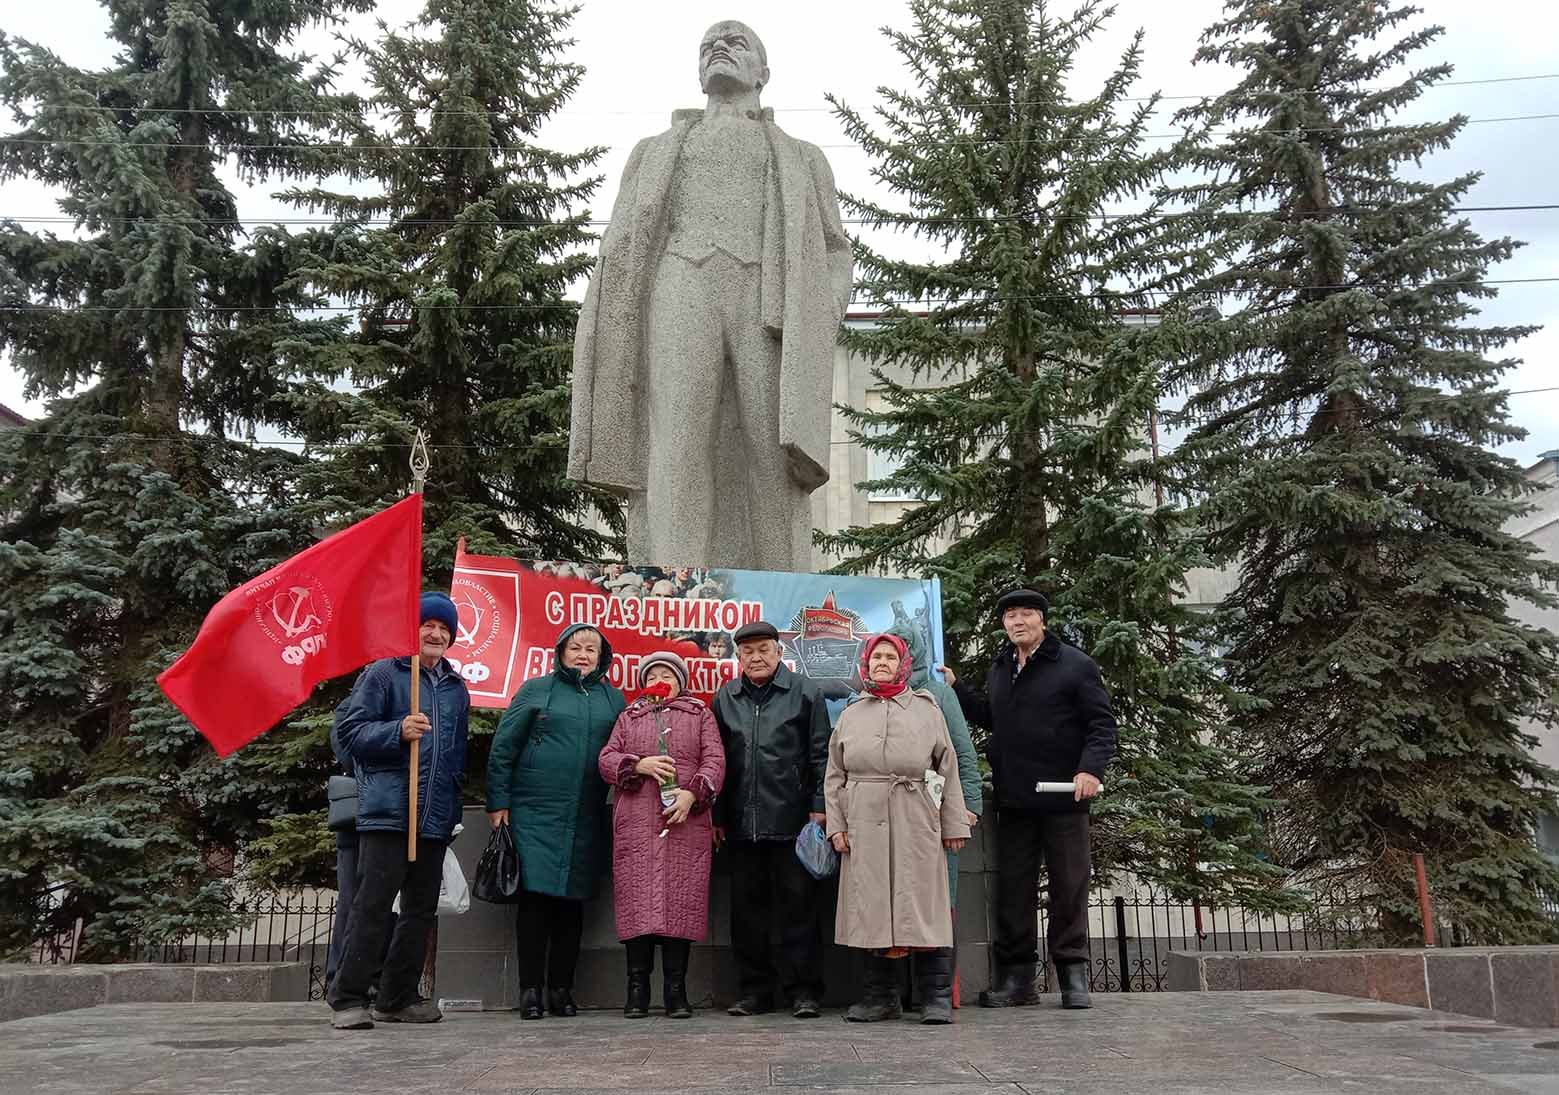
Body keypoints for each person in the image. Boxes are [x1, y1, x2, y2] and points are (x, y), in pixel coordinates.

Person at [567, 20, 853, 570]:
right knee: (675, 441)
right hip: (680, 287)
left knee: (776, 449)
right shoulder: (656, 151)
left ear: (763, 73)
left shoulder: (802, 156)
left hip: (769, 301)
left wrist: (818, 315)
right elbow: (625, 242)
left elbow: (836, 253)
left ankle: (784, 584)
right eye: (708, 47)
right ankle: (673, 585)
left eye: (735, 42)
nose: (718, 49)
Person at [943, 589, 1118, 1010]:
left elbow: (1101, 723)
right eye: (1009, 616)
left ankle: (1072, 974)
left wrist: (1090, 770)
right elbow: (993, 717)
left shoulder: (1074, 664)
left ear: (1042, 619)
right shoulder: (1003, 666)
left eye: (1025, 615)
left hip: (1063, 797)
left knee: (1069, 886)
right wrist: (957, 689)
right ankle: (1017, 979)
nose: (1016, 622)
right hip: (1016, 798)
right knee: (1014, 890)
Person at [327, 592, 470, 1030]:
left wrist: (452, 807)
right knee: (371, 905)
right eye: (429, 625)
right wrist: (396, 731)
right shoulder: (384, 674)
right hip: (389, 811)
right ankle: (349, 997)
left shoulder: (455, 687)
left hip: (435, 817)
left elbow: (456, 753)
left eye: (444, 629)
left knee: (420, 912)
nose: (436, 634)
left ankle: (397, 997)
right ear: (413, 628)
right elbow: (349, 734)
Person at [826, 634, 970, 1025]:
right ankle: (880, 997)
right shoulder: (852, 714)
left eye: (890, 656)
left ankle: (935, 997)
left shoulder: (928, 709)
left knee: (923, 905)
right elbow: (835, 775)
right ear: (866, 665)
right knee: (872, 908)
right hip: (864, 821)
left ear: (904, 664)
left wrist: (953, 821)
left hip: (917, 818)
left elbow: (948, 767)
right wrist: (836, 825)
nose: (882, 662)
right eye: (876, 657)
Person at [486, 623, 625, 1019]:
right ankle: (530, 991)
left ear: (602, 657)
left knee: (571, 906)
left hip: (585, 816)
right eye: (576, 647)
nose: (583, 655)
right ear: (561, 652)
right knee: (535, 904)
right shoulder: (536, 690)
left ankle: (561, 990)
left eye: (591, 650)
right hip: (534, 813)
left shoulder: (612, 699)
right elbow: (503, 748)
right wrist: (499, 803)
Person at [712, 620, 832, 1017]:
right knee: (746, 916)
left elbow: (821, 755)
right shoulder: (725, 697)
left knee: (800, 912)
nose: (756, 657)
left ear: (780, 653)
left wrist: (819, 808)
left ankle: (805, 992)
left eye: (764, 649)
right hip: (741, 825)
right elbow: (716, 761)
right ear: (739, 658)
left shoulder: (805, 693)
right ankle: (754, 992)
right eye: (747, 652)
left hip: (794, 822)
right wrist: (717, 816)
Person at [598, 651, 725, 1018]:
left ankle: (676, 990)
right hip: (636, 823)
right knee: (638, 903)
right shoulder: (629, 716)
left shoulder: (700, 715)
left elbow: (714, 760)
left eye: (668, 673)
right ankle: (637, 988)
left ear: (681, 681)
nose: (661, 678)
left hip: (684, 821)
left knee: (680, 901)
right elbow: (606, 759)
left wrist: (692, 793)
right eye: (654, 673)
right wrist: (637, 764)